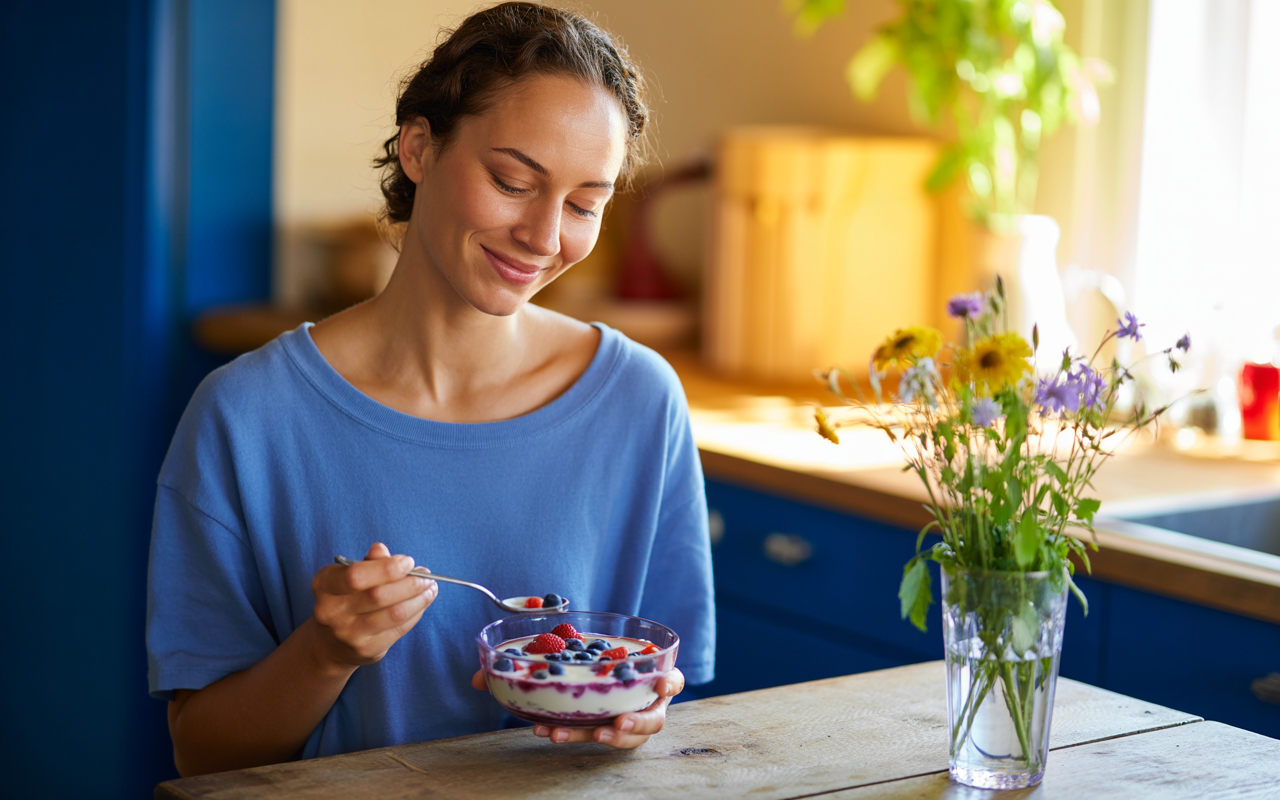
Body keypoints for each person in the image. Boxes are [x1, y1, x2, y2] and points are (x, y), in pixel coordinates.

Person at [146, 2, 715, 777]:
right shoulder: (246, 416)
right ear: (419, 147)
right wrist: (325, 652)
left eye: (585, 205)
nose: (546, 238)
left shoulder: (641, 402)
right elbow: (203, 753)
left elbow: (668, 685)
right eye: (514, 181)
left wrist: (641, 707)